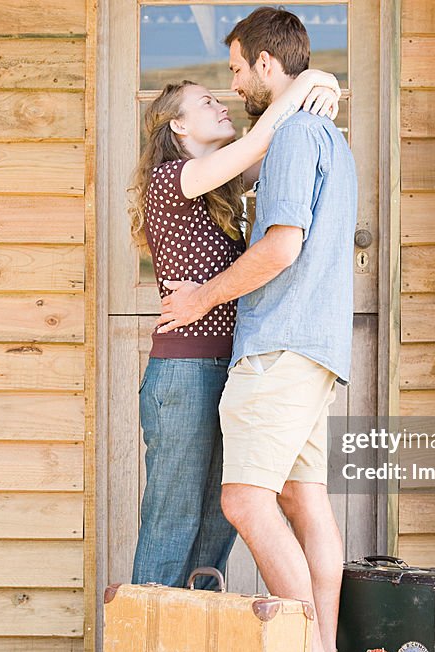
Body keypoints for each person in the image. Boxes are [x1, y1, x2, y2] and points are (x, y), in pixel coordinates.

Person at [155, 8, 357, 652]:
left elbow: (282, 246)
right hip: (317, 347)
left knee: (244, 502)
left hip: (277, 344)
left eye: (237, 69)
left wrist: (204, 295)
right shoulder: (327, 133)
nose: (233, 85)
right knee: (304, 501)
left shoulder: (297, 133)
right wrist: (317, 79)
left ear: (267, 64)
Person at [129, 66, 340, 591]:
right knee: (172, 518)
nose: (222, 105)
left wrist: (325, 88)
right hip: (183, 372)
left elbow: (274, 148)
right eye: (205, 103)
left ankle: (197, 647)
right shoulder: (170, 180)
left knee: (217, 525)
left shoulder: (218, 186)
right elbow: (264, 137)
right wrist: (311, 76)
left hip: (227, 367)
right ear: (177, 128)